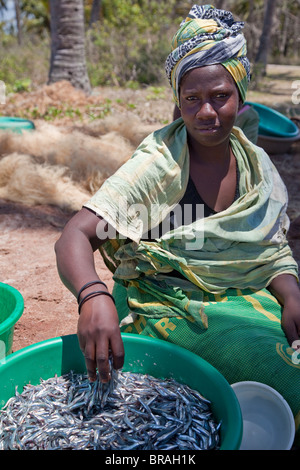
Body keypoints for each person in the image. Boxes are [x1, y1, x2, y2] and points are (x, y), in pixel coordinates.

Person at [55, 4, 300, 441]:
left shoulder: (256, 164)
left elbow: (272, 250)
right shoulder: (160, 164)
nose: (206, 111)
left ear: (240, 94)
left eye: (220, 96)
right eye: (192, 99)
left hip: (236, 289)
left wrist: (293, 294)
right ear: (178, 99)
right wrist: (93, 296)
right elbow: (76, 233)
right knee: (285, 374)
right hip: (166, 299)